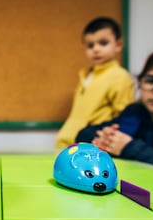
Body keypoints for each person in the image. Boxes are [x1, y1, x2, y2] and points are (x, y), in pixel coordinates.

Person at [76, 44, 153, 174]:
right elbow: (84, 134)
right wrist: (104, 138)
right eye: (150, 81)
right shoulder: (134, 113)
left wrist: (129, 148)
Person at [55, 17, 135, 151]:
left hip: (93, 147)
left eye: (103, 43)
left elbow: (125, 118)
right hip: (69, 143)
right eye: (90, 45)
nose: (96, 49)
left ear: (118, 45)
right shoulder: (86, 75)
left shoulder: (119, 76)